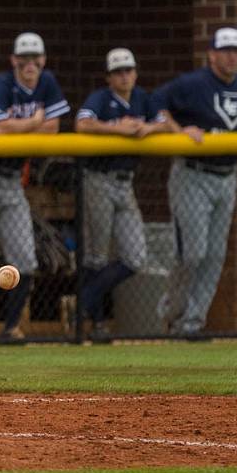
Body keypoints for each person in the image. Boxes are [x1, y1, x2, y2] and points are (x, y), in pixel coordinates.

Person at [157, 28, 237, 336]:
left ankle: (192, 325)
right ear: (211, 54)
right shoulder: (192, 84)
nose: (232, 55)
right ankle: (170, 313)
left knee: (214, 255)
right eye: (225, 50)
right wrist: (177, 130)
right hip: (193, 174)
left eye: (236, 50)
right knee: (193, 251)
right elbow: (156, 105)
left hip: (227, 176)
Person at [0, 32, 69, 341]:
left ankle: (11, 328)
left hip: (11, 183)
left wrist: (24, 125)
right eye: (24, 59)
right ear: (14, 61)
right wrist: (36, 121)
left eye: (36, 58)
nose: (30, 64)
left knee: (25, 258)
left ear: (43, 60)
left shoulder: (47, 82)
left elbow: (55, 128)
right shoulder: (2, 85)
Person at [73, 47, 170, 337]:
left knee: (135, 256)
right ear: (109, 77)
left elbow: (165, 123)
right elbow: (82, 124)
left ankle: (85, 300)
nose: (124, 76)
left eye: (128, 70)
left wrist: (147, 129)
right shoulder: (101, 99)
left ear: (136, 73)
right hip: (98, 179)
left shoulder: (143, 98)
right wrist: (118, 129)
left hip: (125, 182)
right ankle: (96, 323)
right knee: (96, 255)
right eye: (118, 72)